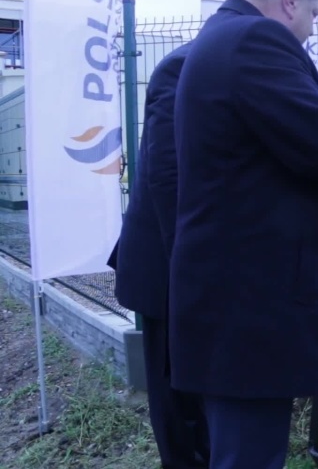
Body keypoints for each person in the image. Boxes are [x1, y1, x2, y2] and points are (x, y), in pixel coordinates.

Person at [166, 0, 318, 467]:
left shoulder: (220, 39)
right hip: (248, 316)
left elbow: (266, 165)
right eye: (312, 12)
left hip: (231, 313)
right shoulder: (255, 41)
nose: (311, 26)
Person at [109, 41, 210, 468]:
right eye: (313, 13)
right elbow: (168, 179)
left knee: (200, 400)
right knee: (177, 403)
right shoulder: (185, 67)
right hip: (168, 268)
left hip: (195, 268)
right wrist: (193, 265)